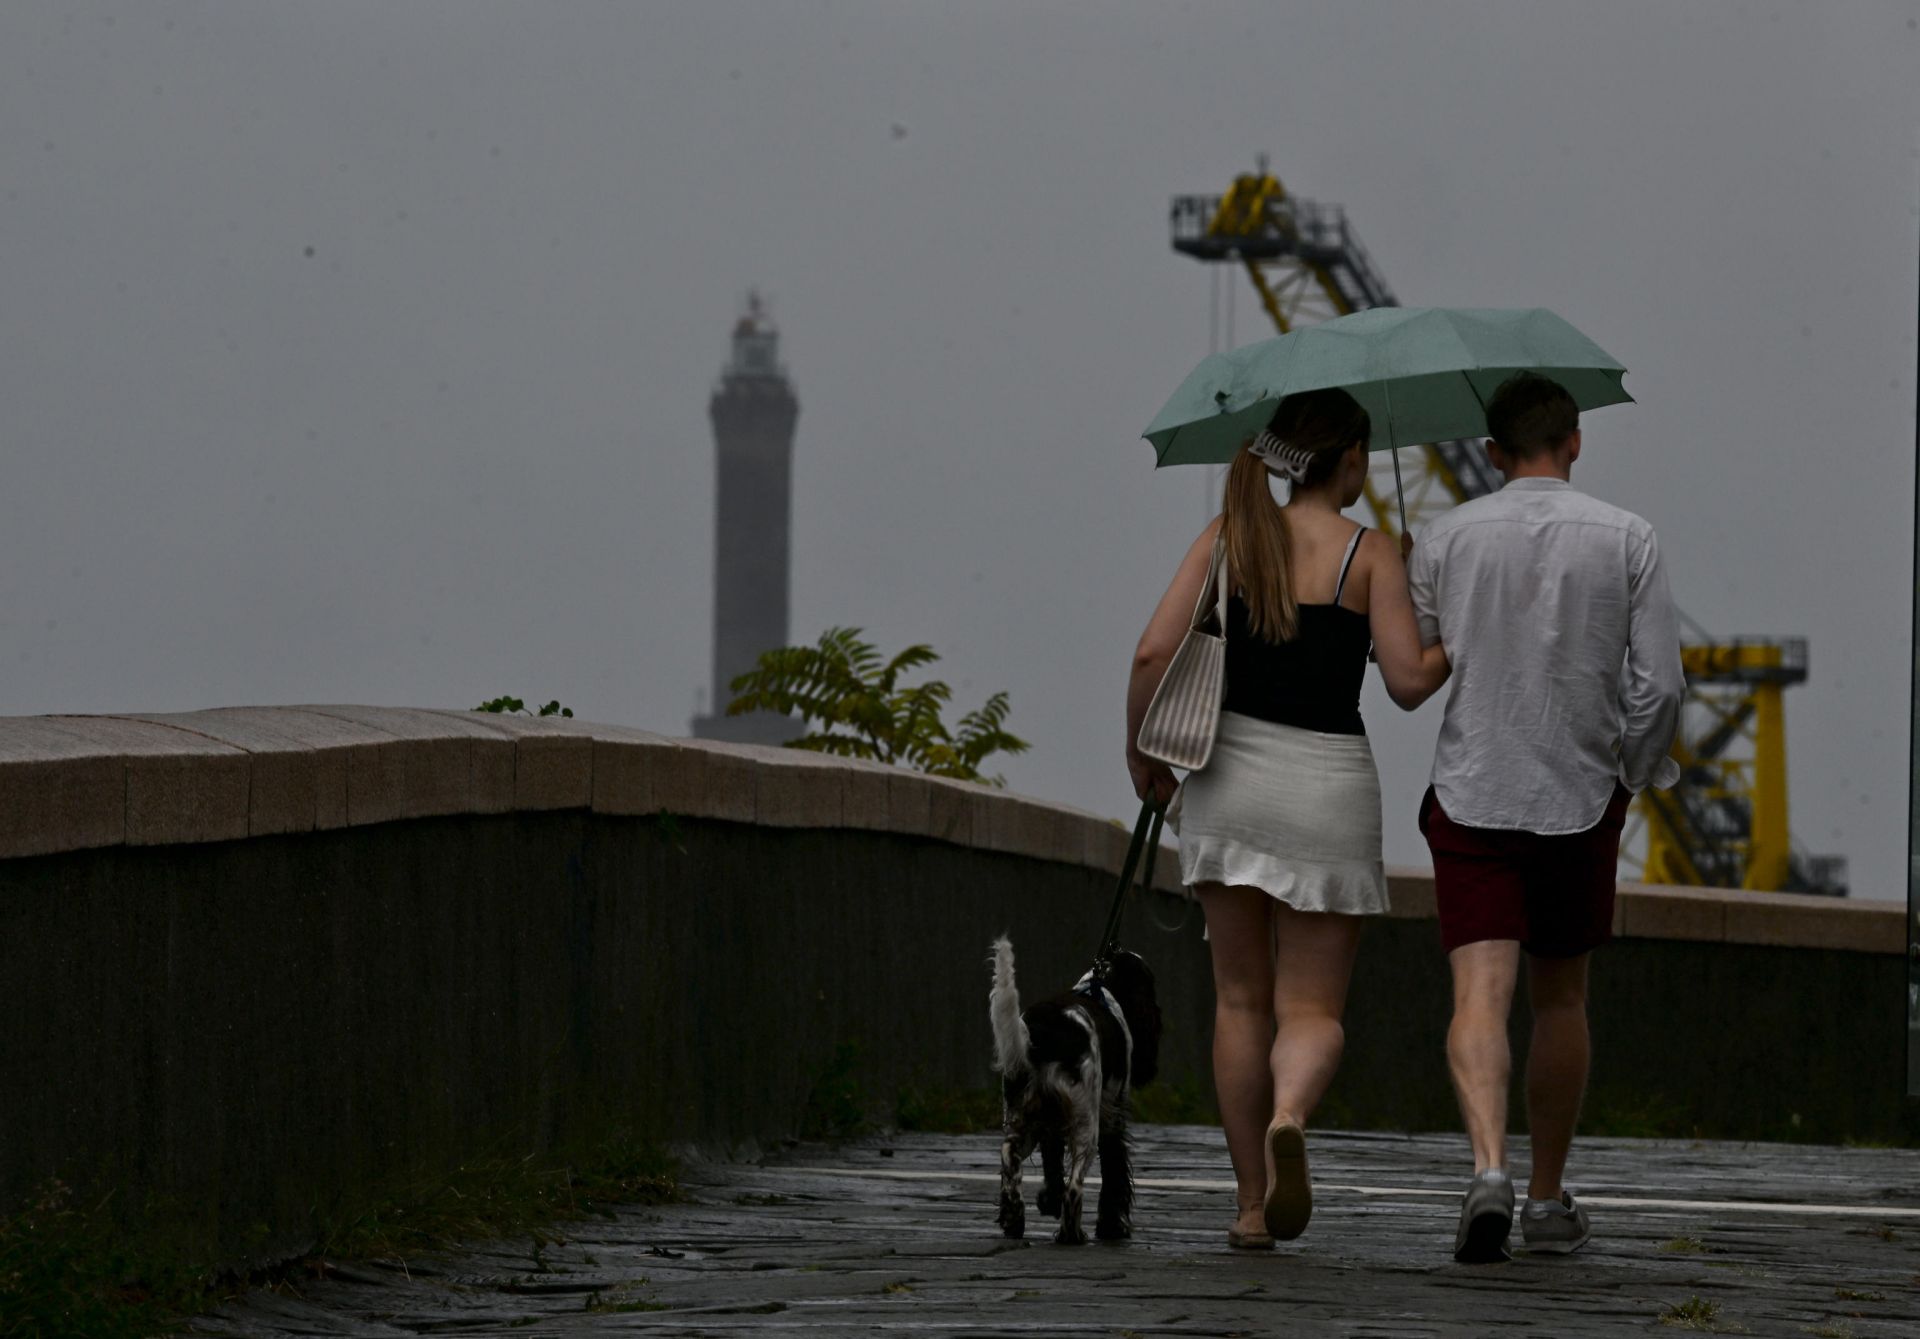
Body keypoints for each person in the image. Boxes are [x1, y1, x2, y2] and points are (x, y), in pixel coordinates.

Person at [1126, 387, 1451, 1250]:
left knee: (1240, 1001)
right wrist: (1447, 626)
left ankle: (1248, 1206)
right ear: (1350, 460)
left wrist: (1141, 756)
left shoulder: (1234, 534)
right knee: (1312, 1009)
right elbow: (1411, 683)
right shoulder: (1371, 552)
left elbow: (1153, 651)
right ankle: (1293, 1114)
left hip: (1229, 780)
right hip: (1329, 785)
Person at [1406, 372, 1683, 1263]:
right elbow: (1661, 685)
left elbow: (1419, 658)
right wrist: (1631, 773)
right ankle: (1547, 1195)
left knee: (1478, 995)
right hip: (1578, 796)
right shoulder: (1629, 537)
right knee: (1561, 998)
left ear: (1491, 452)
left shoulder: (1447, 536)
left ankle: (1486, 1167)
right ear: (1574, 442)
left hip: (1475, 790)